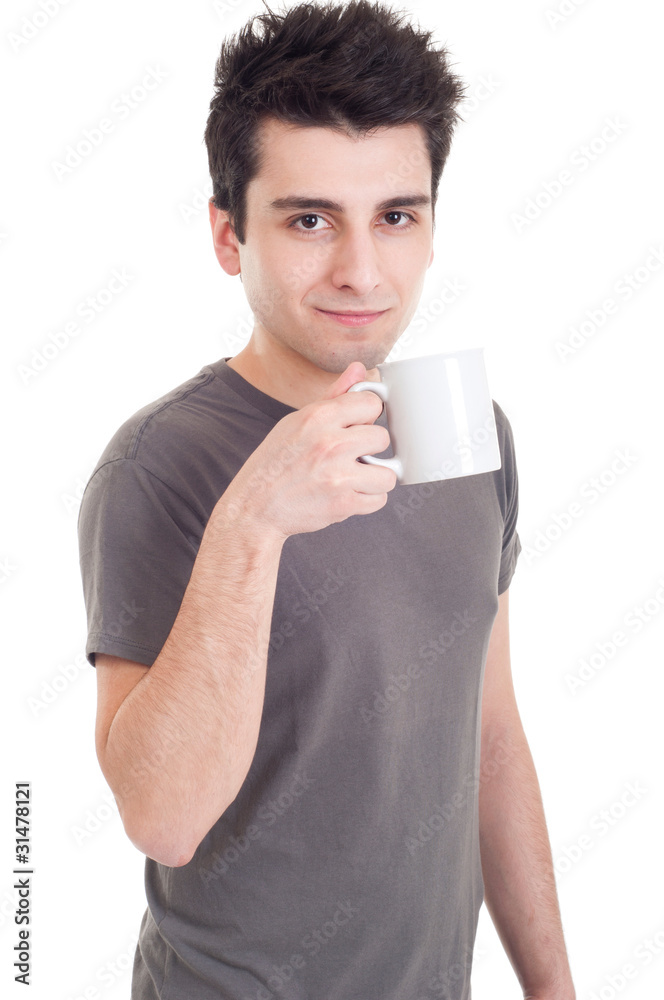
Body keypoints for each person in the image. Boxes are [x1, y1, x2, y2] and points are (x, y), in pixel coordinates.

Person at [77, 2, 576, 998]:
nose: (360, 271)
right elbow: (163, 819)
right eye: (309, 220)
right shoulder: (158, 463)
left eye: (395, 216)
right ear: (229, 235)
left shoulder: (462, 425)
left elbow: (490, 735)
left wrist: (554, 988)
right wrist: (253, 521)